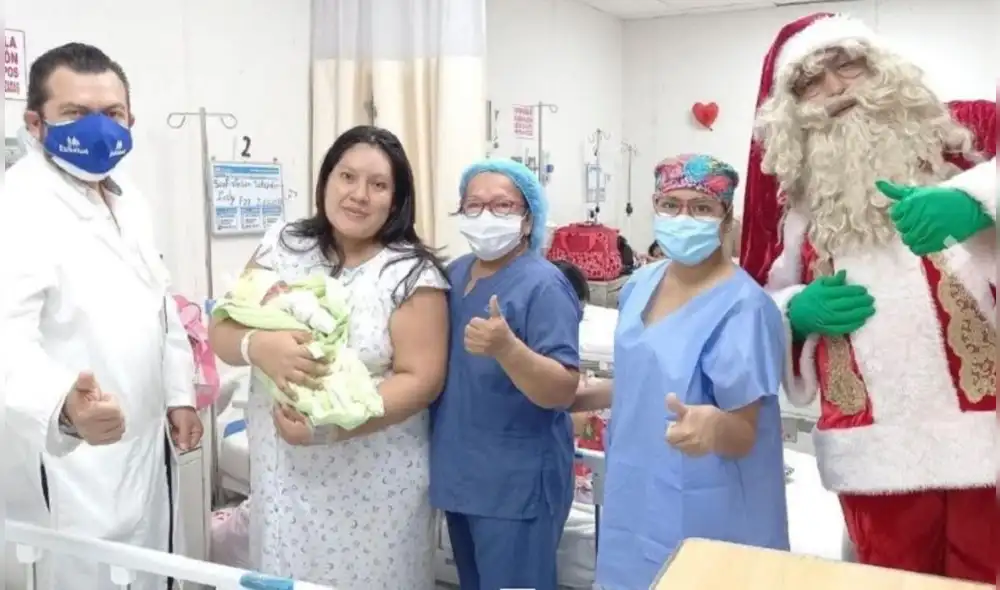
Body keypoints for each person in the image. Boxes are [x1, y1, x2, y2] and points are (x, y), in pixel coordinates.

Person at [742, 12, 996, 582]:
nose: (835, 91)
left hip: (989, 439)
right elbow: (762, 301)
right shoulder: (795, 216)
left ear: (883, 70)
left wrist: (979, 204)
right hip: (873, 451)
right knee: (887, 578)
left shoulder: (965, 156)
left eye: (847, 66)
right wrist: (795, 314)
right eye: (810, 81)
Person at [206, 125, 450, 588]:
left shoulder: (410, 274)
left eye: (378, 185)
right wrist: (257, 346)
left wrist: (331, 428)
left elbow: (422, 379)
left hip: (374, 483)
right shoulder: (284, 245)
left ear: (396, 200)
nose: (359, 195)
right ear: (326, 181)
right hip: (283, 476)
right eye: (347, 177)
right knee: (283, 574)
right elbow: (223, 323)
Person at [0, 43, 201, 590]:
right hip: (72, 462)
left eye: (111, 115)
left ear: (131, 120)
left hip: (143, 446)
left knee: (152, 568)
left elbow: (159, 301)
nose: (98, 130)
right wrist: (64, 407)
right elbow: (6, 341)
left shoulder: (129, 199)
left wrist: (179, 392)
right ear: (37, 124)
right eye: (74, 115)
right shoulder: (18, 206)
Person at [572, 153, 789, 589]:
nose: (683, 217)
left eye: (701, 207)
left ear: (725, 219)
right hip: (634, 487)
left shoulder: (744, 307)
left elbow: (745, 432)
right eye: (671, 205)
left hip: (708, 500)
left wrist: (713, 425)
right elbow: (652, 377)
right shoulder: (640, 285)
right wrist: (582, 394)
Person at [430, 159, 581, 590]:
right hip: (461, 473)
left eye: (501, 206)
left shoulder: (544, 286)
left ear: (528, 217)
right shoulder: (456, 273)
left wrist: (508, 349)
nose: (485, 217)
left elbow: (561, 389)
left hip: (516, 485)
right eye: (473, 206)